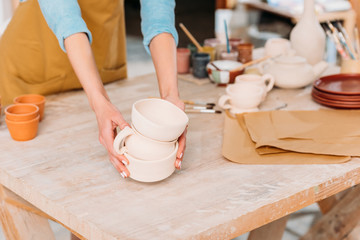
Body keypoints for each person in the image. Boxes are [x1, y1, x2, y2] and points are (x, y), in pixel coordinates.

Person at [0, 0, 187, 179]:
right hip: (36, 62)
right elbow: (65, 16)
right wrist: (100, 102)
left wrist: (170, 96)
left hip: (101, 57)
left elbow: (158, 11)